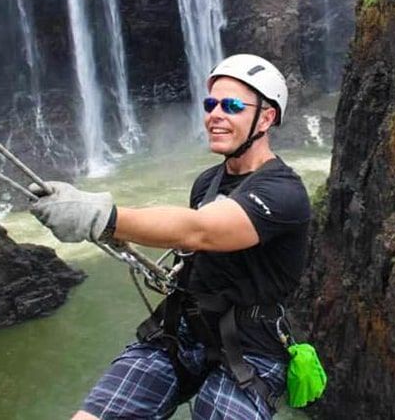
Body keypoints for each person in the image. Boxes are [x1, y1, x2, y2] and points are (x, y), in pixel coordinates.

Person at [31, 54, 311, 419]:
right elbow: (191, 233)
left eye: (233, 106)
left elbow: (199, 231)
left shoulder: (284, 193)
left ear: (267, 117)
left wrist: (104, 216)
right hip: (183, 333)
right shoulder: (206, 184)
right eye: (211, 104)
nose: (215, 114)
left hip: (251, 350)